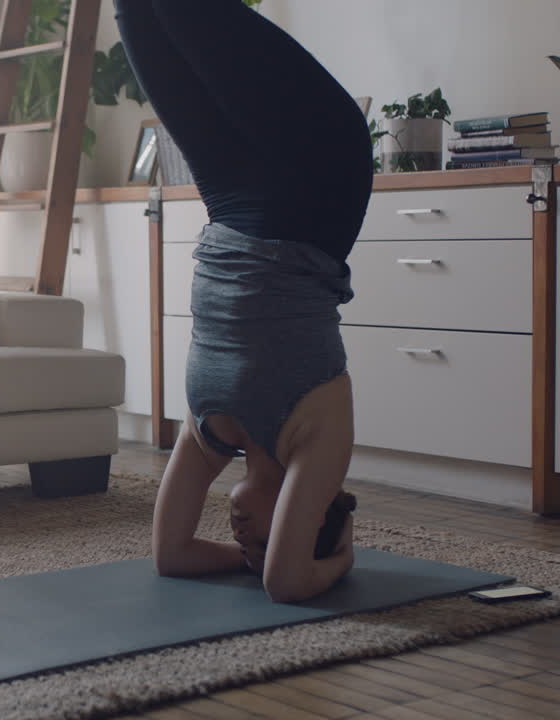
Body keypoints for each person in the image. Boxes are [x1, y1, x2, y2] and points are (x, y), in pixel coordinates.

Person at [114, 0, 373, 603]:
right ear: (306, 516)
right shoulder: (318, 446)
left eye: (247, 551)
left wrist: (240, 563)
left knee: (135, 12)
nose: (245, 542)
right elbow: (286, 583)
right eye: (264, 542)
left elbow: (171, 557)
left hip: (232, 204)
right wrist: (340, 559)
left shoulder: (211, 434)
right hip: (319, 182)